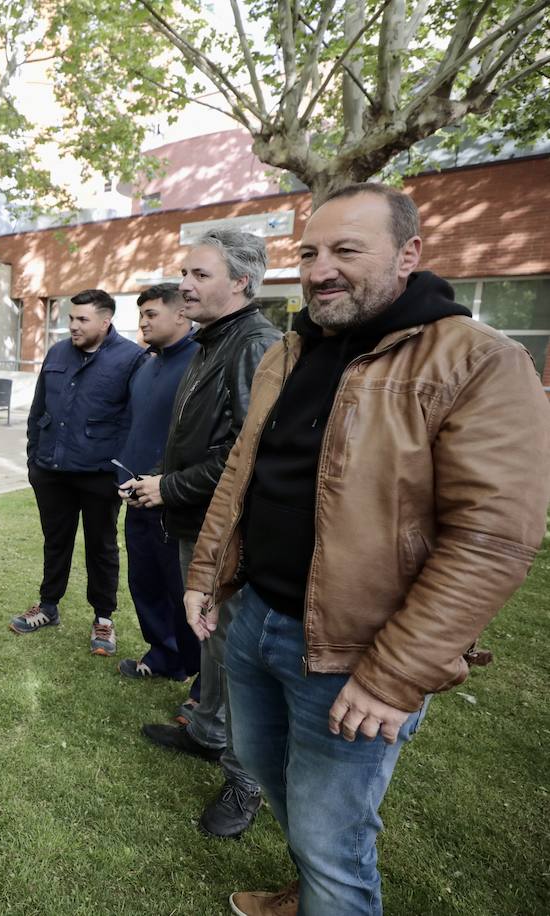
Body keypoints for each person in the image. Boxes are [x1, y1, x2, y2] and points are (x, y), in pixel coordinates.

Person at [187, 185, 550, 916]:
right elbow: (243, 472)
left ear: (408, 253)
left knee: (332, 832)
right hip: (256, 618)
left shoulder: (479, 360)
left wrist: (395, 674)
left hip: (357, 651)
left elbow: (490, 539)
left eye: (347, 250)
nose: (322, 269)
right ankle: (311, 890)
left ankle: (325, 888)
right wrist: (206, 572)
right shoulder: (291, 350)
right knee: (262, 765)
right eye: (311, 253)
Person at [122, 227, 281, 839]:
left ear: (240, 282)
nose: (184, 284)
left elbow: (248, 451)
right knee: (213, 641)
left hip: (229, 529)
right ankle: (208, 731)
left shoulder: (254, 344)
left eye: (199, 275)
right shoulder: (213, 341)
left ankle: (247, 778)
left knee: (239, 652)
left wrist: (171, 486)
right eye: (184, 273)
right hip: (196, 518)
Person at [11, 288, 144, 651]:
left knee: (101, 547)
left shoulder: (132, 359)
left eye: (82, 319)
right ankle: (49, 606)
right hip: (52, 471)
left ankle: (103, 619)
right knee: (56, 541)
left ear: (106, 320)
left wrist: (121, 472)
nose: (73, 326)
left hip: (99, 475)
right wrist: (34, 459)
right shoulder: (57, 353)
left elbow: (134, 421)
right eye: (70, 318)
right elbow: (38, 409)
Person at [115, 284, 201, 687]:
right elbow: (136, 426)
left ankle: (201, 678)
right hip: (136, 498)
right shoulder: (147, 365)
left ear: (182, 314)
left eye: (151, 314)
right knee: (145, 583)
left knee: (184, 591)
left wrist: (165, 483)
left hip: (177, 500)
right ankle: (165, 656)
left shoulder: (201, 362)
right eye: (142, 315)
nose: (143, 322)